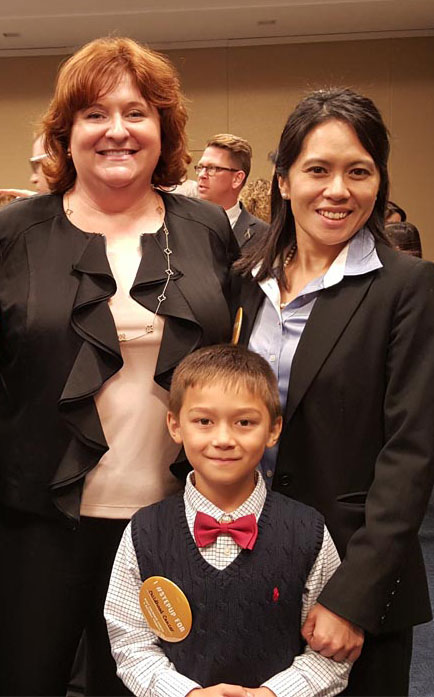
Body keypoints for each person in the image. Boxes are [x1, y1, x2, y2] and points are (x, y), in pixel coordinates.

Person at [0, 36, 237, 697]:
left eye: (137, 112)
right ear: (65, 132)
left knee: (148, 686)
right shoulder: (15, 232)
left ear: (163, 128)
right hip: (35, 523)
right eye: (94, 113)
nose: (117, 131)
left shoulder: (205, 229)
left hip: (172, 520)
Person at [232, 87, 434, 696]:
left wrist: (354, 597)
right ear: (284, 181)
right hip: (242, 564)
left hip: (352, 575)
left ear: (380, 183)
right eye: (317, 169)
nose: (338, 190)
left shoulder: (407, 288)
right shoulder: (245, 282)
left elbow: (411, 454)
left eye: (359, 172)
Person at [105, 344, 351, 697]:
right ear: (175, 425)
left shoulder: (307, 531)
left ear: (273, 429)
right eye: (204, 421)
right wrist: (185, 694)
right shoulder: (144, 532)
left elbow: (329, 652)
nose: (223, 439)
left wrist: (273, 694)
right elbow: (131, 642)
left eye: (245, 422)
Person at [195, 134, 269, 247]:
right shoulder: (181, 225)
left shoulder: (264, 236)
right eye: (200, 167)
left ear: (237, 179)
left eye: (212, 168)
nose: (201, 175)